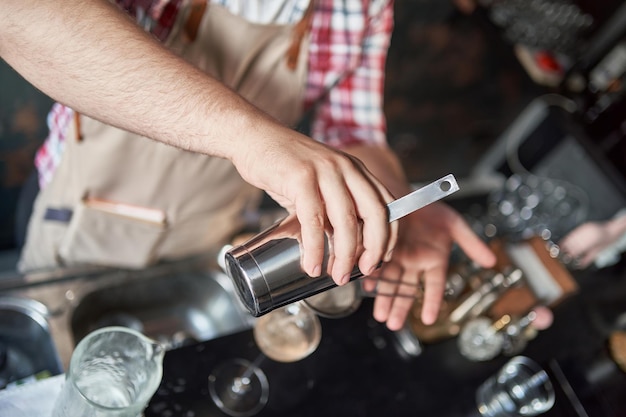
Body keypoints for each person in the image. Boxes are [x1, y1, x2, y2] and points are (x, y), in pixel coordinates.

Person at [2, 0, 496, 331]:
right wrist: (247, 136)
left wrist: (393, 200)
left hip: (209, 239)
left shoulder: (362, 6)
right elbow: (21, 16)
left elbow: (353, 136)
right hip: (81, 220)